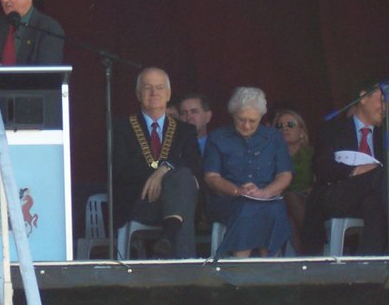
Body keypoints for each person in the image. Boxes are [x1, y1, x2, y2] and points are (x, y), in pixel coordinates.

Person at [303, 84, 389, 256]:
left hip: (375, 199)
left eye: (388, 104)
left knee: (374, 201)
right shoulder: (333, 129)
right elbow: (322, 167)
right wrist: (355, 170)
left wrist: (375, 173)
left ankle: (368, 259)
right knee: (378, 175)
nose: (385, 108)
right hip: (338, 196)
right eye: (382, 101)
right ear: (363, 97)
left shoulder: (387, 137)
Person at [112, 67, 201, 258]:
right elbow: (120, 168)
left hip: (176, 198)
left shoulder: (185, 130)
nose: (154, 93)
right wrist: (157, 176)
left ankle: (169, 237)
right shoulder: (120, 127)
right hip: (140, 201)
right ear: (138, 94)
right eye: (148, 88)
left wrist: (163, 171)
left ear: (168, 94)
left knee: (183, 178)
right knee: (182, 187)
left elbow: (195, 165)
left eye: (159, 88)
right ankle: (184, 264)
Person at [204, 87, 293, 258]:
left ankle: (270, 267)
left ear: (261, 117)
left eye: (252, 121)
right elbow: (212, 177)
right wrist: (238, 191)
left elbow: (284, 175)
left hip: (267, 198)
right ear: (233, 115)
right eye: (241, 120)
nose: (246, 125)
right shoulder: (218, 137)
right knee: (247, 207)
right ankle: (241, 265)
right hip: (229, 198)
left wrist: (264, 193)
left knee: (273, 209)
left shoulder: (273, 137)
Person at [274, 109, 313, 254]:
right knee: (287, 203)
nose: (285, 128)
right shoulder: (272, 156)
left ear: (301, 130)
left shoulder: (312, 154)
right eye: (280, 126)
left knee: (290, 200)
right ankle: (307, 253)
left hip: (309, 200)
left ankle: (305, 252)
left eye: (290, 124)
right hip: (280, 201)